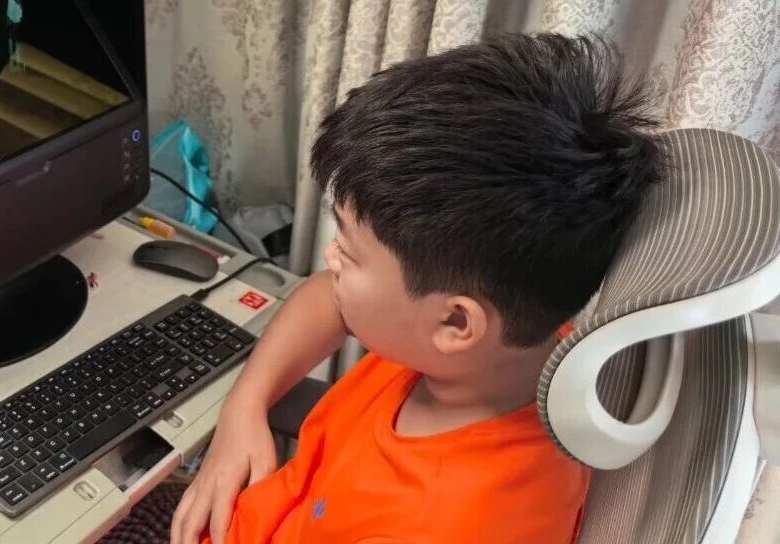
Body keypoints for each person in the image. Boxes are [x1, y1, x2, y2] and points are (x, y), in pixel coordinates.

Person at [163, 33, 667, 543]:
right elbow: (328, 297)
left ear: (455, 322)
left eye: (349, 252)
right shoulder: (513, 341)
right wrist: (244, 406)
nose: (331, 258)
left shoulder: (443, 522)